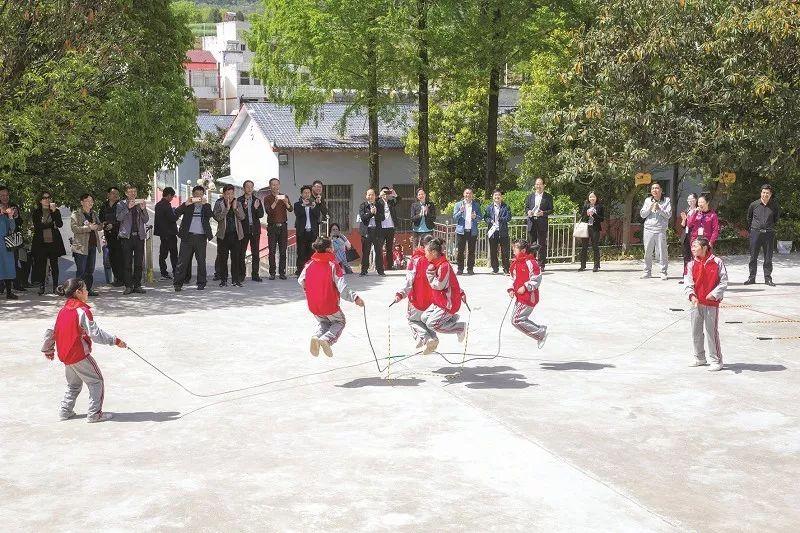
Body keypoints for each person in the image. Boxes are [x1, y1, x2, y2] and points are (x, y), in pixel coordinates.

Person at [40, 278, 127, 423]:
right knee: (96, 381)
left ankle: (65, 411)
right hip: (79, 354)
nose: (87, 292)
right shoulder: (82, 311)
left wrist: (48, 349)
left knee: (73, 385)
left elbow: (51, 331)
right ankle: (94, 414)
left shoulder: (62, 310)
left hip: (65, 355)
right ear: (78, 292)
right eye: (85, 289)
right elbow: (96, 334)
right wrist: (115, 340)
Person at [298, 236, 364, 357]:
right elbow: (342, 288)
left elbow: (301, 280)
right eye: (332, 246)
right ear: (329, 249)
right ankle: (327, 339)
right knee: (339, 321)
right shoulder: (333, 265)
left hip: (314, 305)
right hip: (329, 304)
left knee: (324, 323)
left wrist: (312, 291)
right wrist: (355, 298)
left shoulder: (309, 264)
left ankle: (317, 337)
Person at [684, 236, 728, 371]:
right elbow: (687, 281)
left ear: (704, 248)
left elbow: (723, 281)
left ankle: (716, 360)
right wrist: (691, 296)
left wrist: (714, 294)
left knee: (711, 332)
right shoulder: (691, 264)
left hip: (711, 304)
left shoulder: (717, 262)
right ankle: (699, 357)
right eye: (692, 246)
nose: (692, 249)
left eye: (695, 246)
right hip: (696, 303)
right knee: (696, 331)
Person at [420, 238, 467, 354]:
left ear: (434, 253)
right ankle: (451, 319)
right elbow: (453, 282)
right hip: (439, 301)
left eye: (426, 252)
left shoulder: (443, 266)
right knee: (424, 318)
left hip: (448, 303)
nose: (425, 254)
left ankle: (459, 327)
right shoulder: (436, 264)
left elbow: (440, 285)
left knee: (432, 324)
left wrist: (430, 276)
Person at [394, 234, 435, 351]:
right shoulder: (437, 260)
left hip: (417, 298)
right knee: (428, 320)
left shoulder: (415, 259)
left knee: (412, 320)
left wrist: (400, 294)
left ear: (420, 244)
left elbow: (409, 281)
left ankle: (426, 338)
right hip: (433, 300)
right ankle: (431, 338)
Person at [508, 239, 547, 348]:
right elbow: (512, 278)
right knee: (519, 319)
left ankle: (540, 333)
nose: (513, 250)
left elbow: (536, 279)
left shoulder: (531, 262)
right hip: (520, 297)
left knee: (516, 320)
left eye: (515, 248)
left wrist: (525, 287)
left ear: (523, 250)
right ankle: (540, 331)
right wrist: (511, 289)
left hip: (529, 297)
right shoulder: (515, 263)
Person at [173, 186, 214, 291]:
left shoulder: (206, 206)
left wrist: (204, 205)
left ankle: (201, 283)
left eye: (201, 194)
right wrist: (185, 204)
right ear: (193, 194)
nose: (198, 196)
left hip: (201, 237)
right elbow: (175, 214)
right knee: (182, 261)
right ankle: (178, 283)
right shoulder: (188, 205)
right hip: (187, 237)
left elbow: (211, 215)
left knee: (201, 261)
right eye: (196, 194)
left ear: (203, 195)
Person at [31, 192, 66, 295]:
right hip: (41, 242)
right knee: (41, 265)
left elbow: (59, 224)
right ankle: (42, 286)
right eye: (44, 198)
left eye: (48, 198)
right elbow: (37, 226)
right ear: (40, 200)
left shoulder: (56, 211)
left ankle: (56, 287)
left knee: (54, 265)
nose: (46, 199)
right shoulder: (36, 212)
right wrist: (51, 224)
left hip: (53, 241)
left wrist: (54, 212)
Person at [116, 185, 149, 295]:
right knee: (127, 263)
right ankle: (128, 286)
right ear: (126, 193)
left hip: (139, 236)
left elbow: (146, 219)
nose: (133, 194)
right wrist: (128, 208)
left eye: (134, 191)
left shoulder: (139, 204)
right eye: (130, 192)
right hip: (127, 237)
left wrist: (144, 209)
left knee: (139, 263)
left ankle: (137, 285)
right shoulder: (121, 204)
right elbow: (119, 218)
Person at [745, 184, 780, 286]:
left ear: (770, 194)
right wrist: (754, 229)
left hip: (769, 233)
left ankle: (768, 279)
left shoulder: (774, 205)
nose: (765, 194)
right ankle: (751, 278)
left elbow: (776, 219)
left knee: (768, 257)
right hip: (755, 233)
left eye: (767, 193)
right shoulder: (754, 204)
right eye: (764, 192)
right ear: (761, 193)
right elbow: (749, 218)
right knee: (753, 257)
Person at [213, 184, 246, 287]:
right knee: (223, 258)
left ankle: (235, 280)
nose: (230, 196)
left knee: (236, 258)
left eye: (232, 193)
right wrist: (227, 209)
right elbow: (217, 218)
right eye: (227, 194)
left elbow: (242, 217)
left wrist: (235, 208)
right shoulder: (219, 203)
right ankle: (224, 280)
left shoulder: (238, 203)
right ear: (223, 194)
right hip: (223, 235)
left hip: (236, 235)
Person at [71, 194, 102, 297]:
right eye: (88, 201)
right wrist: (89, 228)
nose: (90, 203)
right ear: (82, 202)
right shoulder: (76, 214)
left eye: (91, 201)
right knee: (81, 271)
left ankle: (88, 290)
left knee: (90, 270)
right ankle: (78, 292)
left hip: (92, 245)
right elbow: (75, 229)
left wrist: (98, 226)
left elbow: (99, 226)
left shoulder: (94, 213)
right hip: (81, 247)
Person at [639, 182, 672, 280]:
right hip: (648, 229)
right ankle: (647, 272)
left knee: (662, 252)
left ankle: (663, 272)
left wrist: (660, 208)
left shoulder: (666, 201)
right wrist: (650, 207)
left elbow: (668, 215)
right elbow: (642, 215)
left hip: (660, 229)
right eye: (653, 188)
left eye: (657, 188)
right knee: (647, 252)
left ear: (661, 190)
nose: (654, 190)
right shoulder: (647, 200)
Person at [264, 178, 293, 280]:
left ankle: (282, 272)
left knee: (283, 250)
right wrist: (275, 201)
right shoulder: (267, 198)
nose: (275, 187)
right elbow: (268, 211)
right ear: (270, 186)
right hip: (272, 226)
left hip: (283, 226)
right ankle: (272, 273)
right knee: (271, 250)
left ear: (279, 185)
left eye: (277, 185)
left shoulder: (284, 196)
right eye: (273, 185)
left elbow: (290, 209)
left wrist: (286, 202)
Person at [237, 180, 265, 282]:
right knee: (241, 252)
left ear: (253, 188)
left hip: (255, 230)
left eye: (251, 187)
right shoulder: (239, 200)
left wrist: (256, 208)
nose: (249, 189)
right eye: (247, 187)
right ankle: (241, 274)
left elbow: (261, 215)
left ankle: (255, 274)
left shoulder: (257, 200)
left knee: (255, 253)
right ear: (244, 188)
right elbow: (238, 215)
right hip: (243, 230)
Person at [0, 185, 26, 290]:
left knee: (12, 262)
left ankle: (13, 287)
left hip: (11, 239)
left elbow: (18, 222)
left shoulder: (13, 206)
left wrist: (13, 216)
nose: (5, 197)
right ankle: (1, 287)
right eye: (2, 195)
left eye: (6, 195)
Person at [524, 178, 554, 270]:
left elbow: (551, 209)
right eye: (537, 184)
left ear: (544, 185)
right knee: (531, 244)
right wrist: (528, 211)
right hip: (532, 222)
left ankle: (541, 265)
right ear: (534, 185)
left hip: (542, 222)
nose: (538, 186)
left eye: (540, 184)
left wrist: (543, 213)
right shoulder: (530, 196)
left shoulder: (548, 197)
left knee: (541, 244)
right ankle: (532, 264)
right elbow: (526, 207)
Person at [452, 188, 482, 275]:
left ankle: (470, 269)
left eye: (470, 193)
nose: (468, 195)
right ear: (463, 194)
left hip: (472, 231)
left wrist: (475, 217)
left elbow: (480, 218)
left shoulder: (476, 205)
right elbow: (454, 217)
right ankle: (460, 269)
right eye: (466, 193)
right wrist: (460, 212)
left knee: (471, 251)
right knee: (460, 251)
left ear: (472, 195)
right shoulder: (458, 204)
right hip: (461, 231)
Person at [99, 187, 124, 287]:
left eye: (117, 193)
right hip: (108, 235)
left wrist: (113, 225)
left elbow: (123, 220)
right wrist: (104, 225)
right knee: (112, 257)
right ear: (108, 195)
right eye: (113, 193)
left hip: (119, 234)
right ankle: (117, 278)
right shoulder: (103, 207)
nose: (115, 195)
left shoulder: (121, 205)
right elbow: (100, 219)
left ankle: (122, 279)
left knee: (120, 257)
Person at [294, 185, 322, 275]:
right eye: (305, 193)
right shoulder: (297, 204)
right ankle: (300, 272)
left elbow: (318, 215)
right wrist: (304, 205)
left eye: (308, 193)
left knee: (312, 252)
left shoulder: (314, 203)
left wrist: (314, 207)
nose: (307, 194)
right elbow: (298, 214)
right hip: (302, 232)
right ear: (301, 194)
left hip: (312, 232)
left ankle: (312, 271)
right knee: (301, 253)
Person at [358, 188, 385, 276]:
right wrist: (371, 213)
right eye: (369, 195)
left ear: (375, 196)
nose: (370, 196)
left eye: (372, 195)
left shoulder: (380, 205)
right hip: (367, 231)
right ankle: (364, 270)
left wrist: (376, 213)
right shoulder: (363, 206)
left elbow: (382, 218)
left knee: (378, 251)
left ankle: (380, 270)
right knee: (366, 252)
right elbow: (363, 218)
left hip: (377, 231)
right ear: (366, 196)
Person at [484, 189, 512, 274]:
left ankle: (506, 269)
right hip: (493, 232)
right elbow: (485, 217)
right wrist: (490, 221)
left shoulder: (506, 206)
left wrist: (501, 219)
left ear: (501, 196)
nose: (497, 197)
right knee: (493, 251)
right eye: (495, 195)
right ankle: (495, 269)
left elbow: (509, 217)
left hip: (503, 231)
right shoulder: (489, 207)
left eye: (499, 195)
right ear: (493, 197)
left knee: (505, 251)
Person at [154, 187, 179, 281]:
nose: (172, 198)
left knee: (163, 254)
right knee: (173, 254)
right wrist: (176, 212)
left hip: (162, 233)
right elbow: (172, 218)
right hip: (170, 233)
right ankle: (175, 271)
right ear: (169, 195)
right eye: (172, 197)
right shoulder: (166, 205)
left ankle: (163, 272)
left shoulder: (158, 205)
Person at [578, 191, 604, 272]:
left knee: (595, 246)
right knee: (584, 247)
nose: (592, 198)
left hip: (595, 228)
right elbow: (582, 217)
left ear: (596, 198)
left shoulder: (600, 206)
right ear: (588, 198)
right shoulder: (586, 205)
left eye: (593, 197)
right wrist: (587, 214)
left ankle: (596, 266)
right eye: (590, 197)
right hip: (586, 228)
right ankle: (582, 266)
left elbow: (602, 219)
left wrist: (594, 214)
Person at [377, 187, 400, 270]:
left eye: (387, 192)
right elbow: (373, 203)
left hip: (390, 227)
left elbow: (398, 200)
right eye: (384, 192)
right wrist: (379, 196)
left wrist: (394, 194)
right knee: (379, 247)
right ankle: (379, 266)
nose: (386, 194)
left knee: (389, 248)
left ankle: (389, 266)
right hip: (381, 228)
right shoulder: (379, 202)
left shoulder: (391, 202)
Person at [678, 193, 698, 284]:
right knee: (686, 256)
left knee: (695, 256)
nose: (690, 201)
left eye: (692, 199)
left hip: (694, 235)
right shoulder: (687, 210)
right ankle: (685, 276)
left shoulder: (698, 211)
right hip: (686, 235)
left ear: (696, 200)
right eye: (688, 199)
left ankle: (696, 276)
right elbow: (683, 225)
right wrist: (683, 219)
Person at [0, 203, 18, 299]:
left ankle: (9, 292)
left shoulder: (4, 217)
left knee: (8, 267)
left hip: (6, 244)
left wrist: (11, 216)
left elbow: (12, 228)